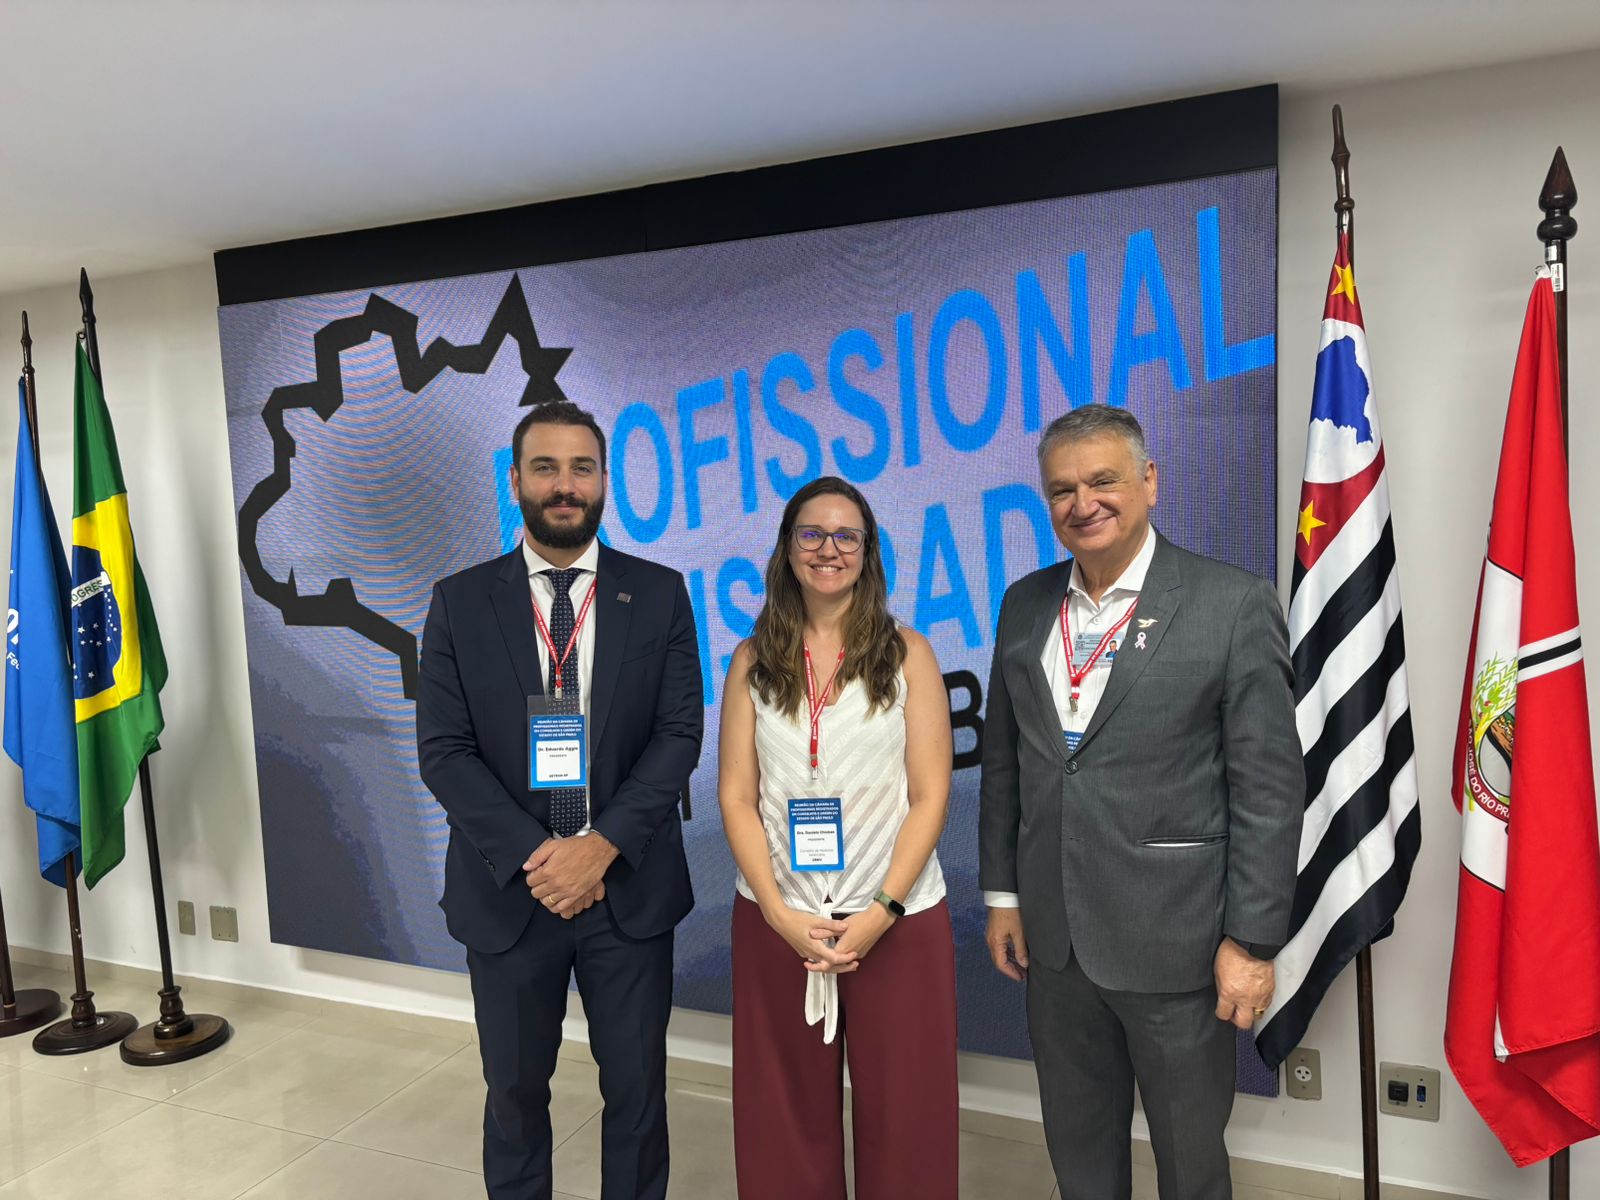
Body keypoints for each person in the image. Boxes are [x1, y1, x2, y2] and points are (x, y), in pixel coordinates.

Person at [979, 404, 1303, 1200]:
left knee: (1192, 1166)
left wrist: (1252, 942)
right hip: (1056, 947)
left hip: (1178, 947)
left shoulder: (1231, 604)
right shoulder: (1023, 605)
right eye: (1061, 490)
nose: (1082, 503)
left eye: (1102, 481)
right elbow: (1005, 762)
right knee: (1080, 1158)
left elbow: (1267, 786)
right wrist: (1002, 894)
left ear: (1149, 482)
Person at [417, 402, 702, 1200]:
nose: (565, 485)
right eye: (546, 467)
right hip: (511, 894)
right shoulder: (458, 601)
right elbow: (445, 752)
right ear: (515, 481)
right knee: (513, 1097)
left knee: (640, 1096)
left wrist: (598, 847)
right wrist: (542, 859)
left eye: (582, 468)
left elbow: (679, 736)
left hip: (628, 891)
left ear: (606, 481)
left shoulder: (659, 594)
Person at [718, 476, 959, 1200]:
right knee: (780, 1117)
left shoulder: (908, 653)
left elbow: (930, 794)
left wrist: (882, 909)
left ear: (868, 551)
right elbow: (735, 795)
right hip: (777, 916)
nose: (828, 549)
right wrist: (776, 911)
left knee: (908, 1118)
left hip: (897, 917)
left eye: (845, 535)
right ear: (788, 550)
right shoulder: (751, 660)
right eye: (812, 535)